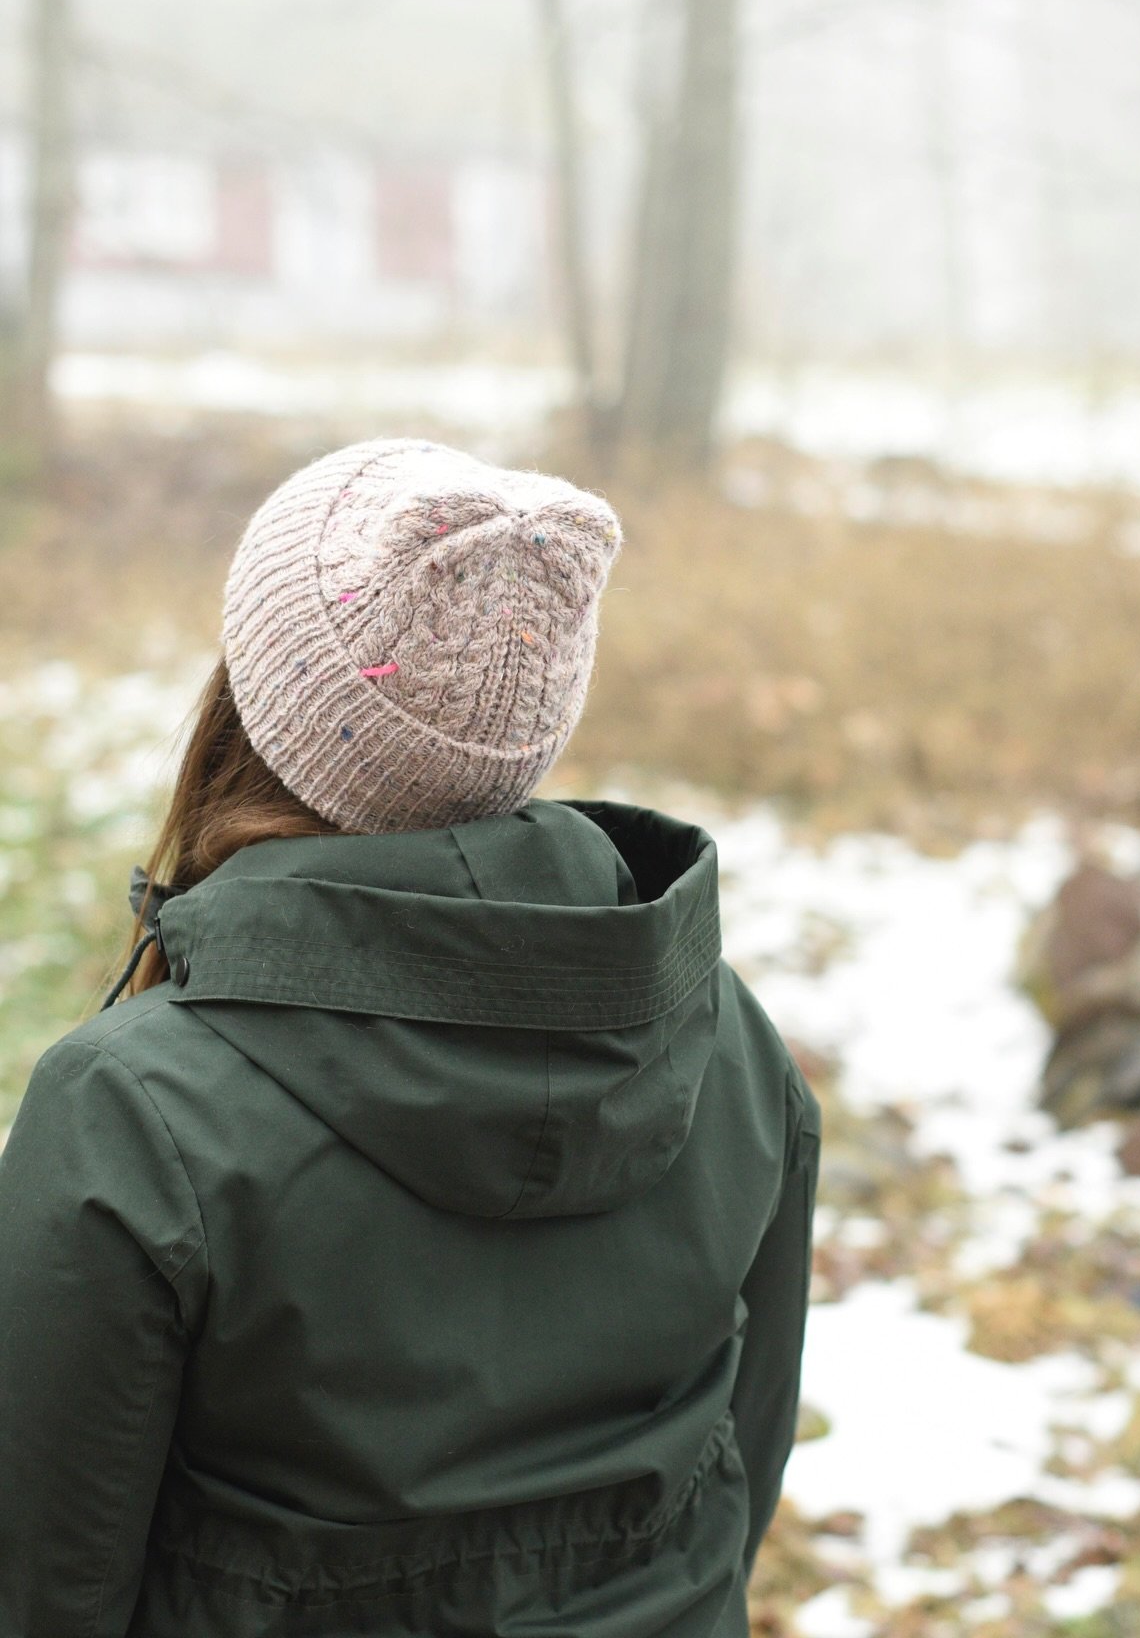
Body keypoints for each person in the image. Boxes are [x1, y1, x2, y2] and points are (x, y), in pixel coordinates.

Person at [0, 437, 820, 1638]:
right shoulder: (724, 1036)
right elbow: (737, 1467)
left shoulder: (137, 1113)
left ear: (259, 697)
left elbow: (42, 1581)